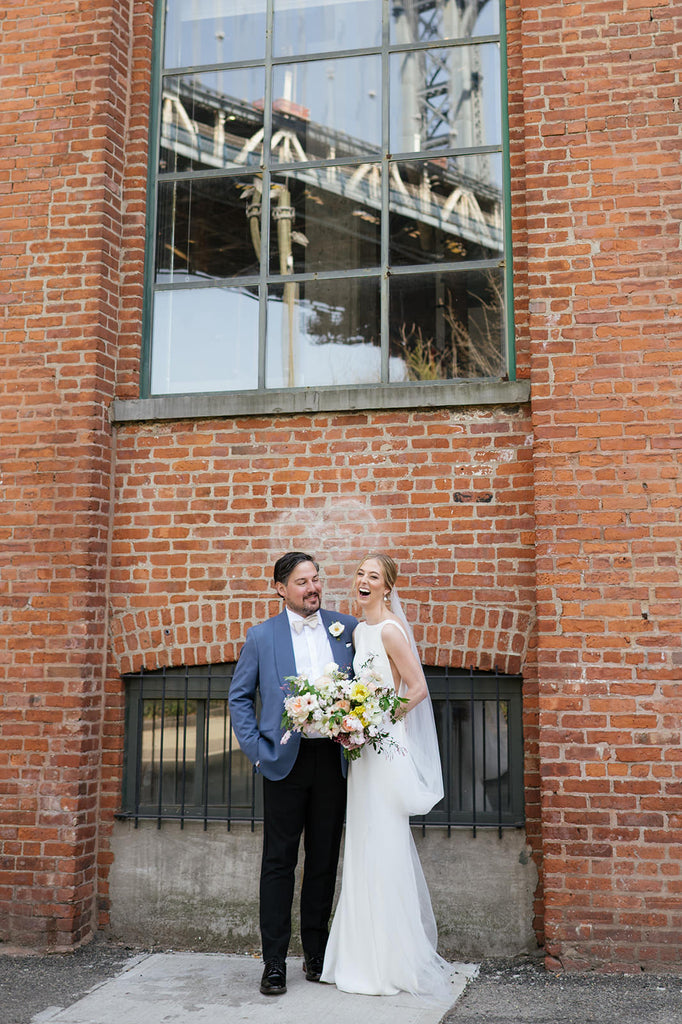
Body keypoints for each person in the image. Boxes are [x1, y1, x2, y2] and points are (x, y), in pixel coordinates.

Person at [321, 553, 454, 1001]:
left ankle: (389, 960)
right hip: (362, 756)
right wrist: (348, 721)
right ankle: (358, 955)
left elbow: (416, 689)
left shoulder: (391, 631)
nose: (363, 580)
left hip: (381, 748)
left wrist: (375, 723)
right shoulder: (358, 632)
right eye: (360, 573)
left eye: (373, 576)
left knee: (383, 843)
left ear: (387, 588)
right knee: (361, 843)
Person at [228, 551, 357, 997]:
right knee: (279, 863)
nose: (313, 588)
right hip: (283, 762)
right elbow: (239, 698)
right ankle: (274, 963)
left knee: (323, 860)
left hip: (333, 760)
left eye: (316, 580)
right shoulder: (262, 637)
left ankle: (317, 955)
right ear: (281, 589)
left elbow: (369, 686)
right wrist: (259, 753)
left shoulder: (347, 630)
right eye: (303, 582)